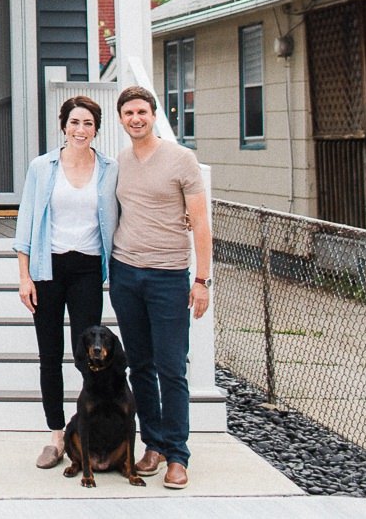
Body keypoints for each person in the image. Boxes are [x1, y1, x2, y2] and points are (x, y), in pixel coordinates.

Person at [109, 85, 211, 491]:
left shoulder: (181, 159)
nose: (136, 119)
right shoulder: (119, 162)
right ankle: (152, 445)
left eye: (142, 112)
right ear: (121, 120)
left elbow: (201, 223)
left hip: (169, 276)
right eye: (128, 113)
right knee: (140, 366)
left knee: (172, 367)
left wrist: (201, 281)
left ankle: (177, 455)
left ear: (154, 115)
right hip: (126, 274)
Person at [12, 94, 116, 470]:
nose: (81, 130)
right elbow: (25, 224)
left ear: (96, 129)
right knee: (50, 354)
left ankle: (92, 434)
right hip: (47, 269)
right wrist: (24, 276)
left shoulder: (109, 169)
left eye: (88, 123)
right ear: (63, 126)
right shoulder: (42, 167)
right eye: (74, 122)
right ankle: (56, 437)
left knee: (89, 356)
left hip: (88, 269)